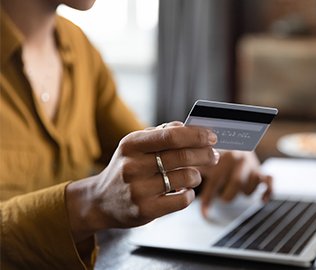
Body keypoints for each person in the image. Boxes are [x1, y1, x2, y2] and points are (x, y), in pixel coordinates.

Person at [0, 0, 272, 269]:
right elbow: (109, 188)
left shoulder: (78, 47)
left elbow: (141, 152)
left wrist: (215, 158)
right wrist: (89, 204)